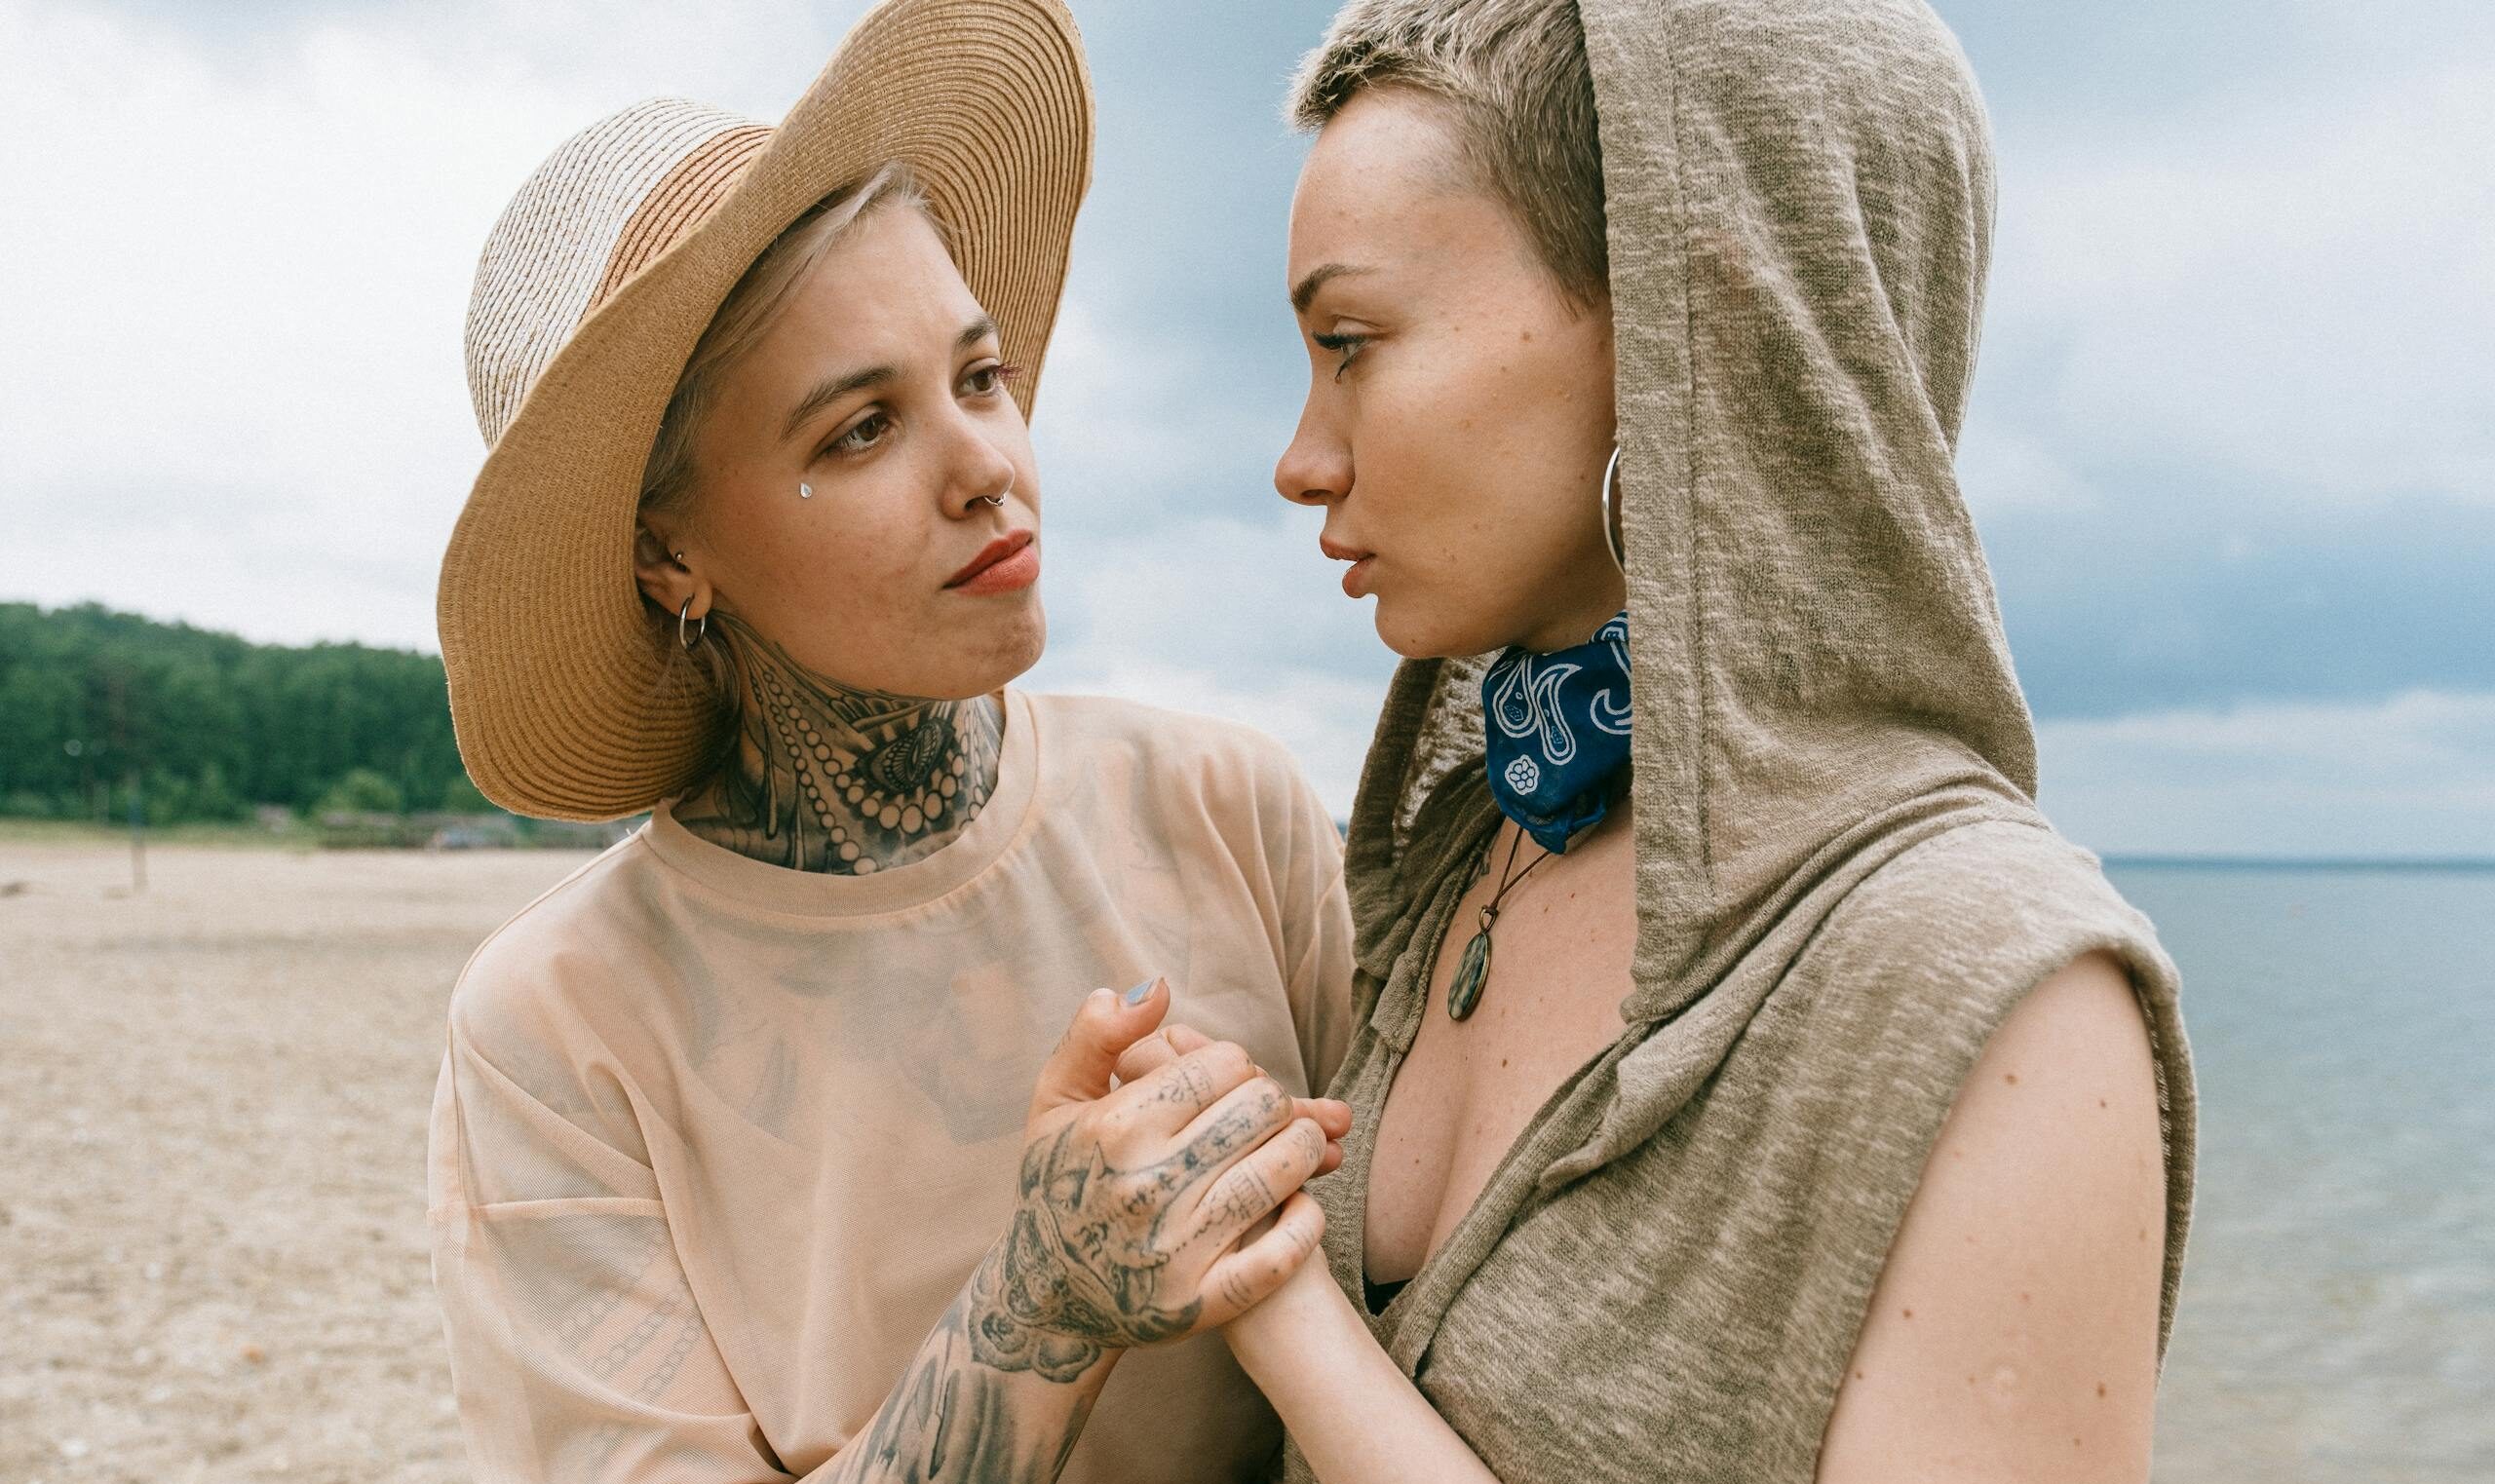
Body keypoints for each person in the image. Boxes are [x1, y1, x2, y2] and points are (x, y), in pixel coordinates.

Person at [1149, 0, 2198, 1479]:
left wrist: (1281, 1305)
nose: (1300, 457)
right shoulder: (1472, 849)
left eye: (1353, 341)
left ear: (1694, 324)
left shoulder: (1999, 999)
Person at [424, 2, 1353, 1480]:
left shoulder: (1225, 804)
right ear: (669, 557)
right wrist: (1034, 1310)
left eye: (978, 379)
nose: (990, 467)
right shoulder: (559, 1029)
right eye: (860, 430)